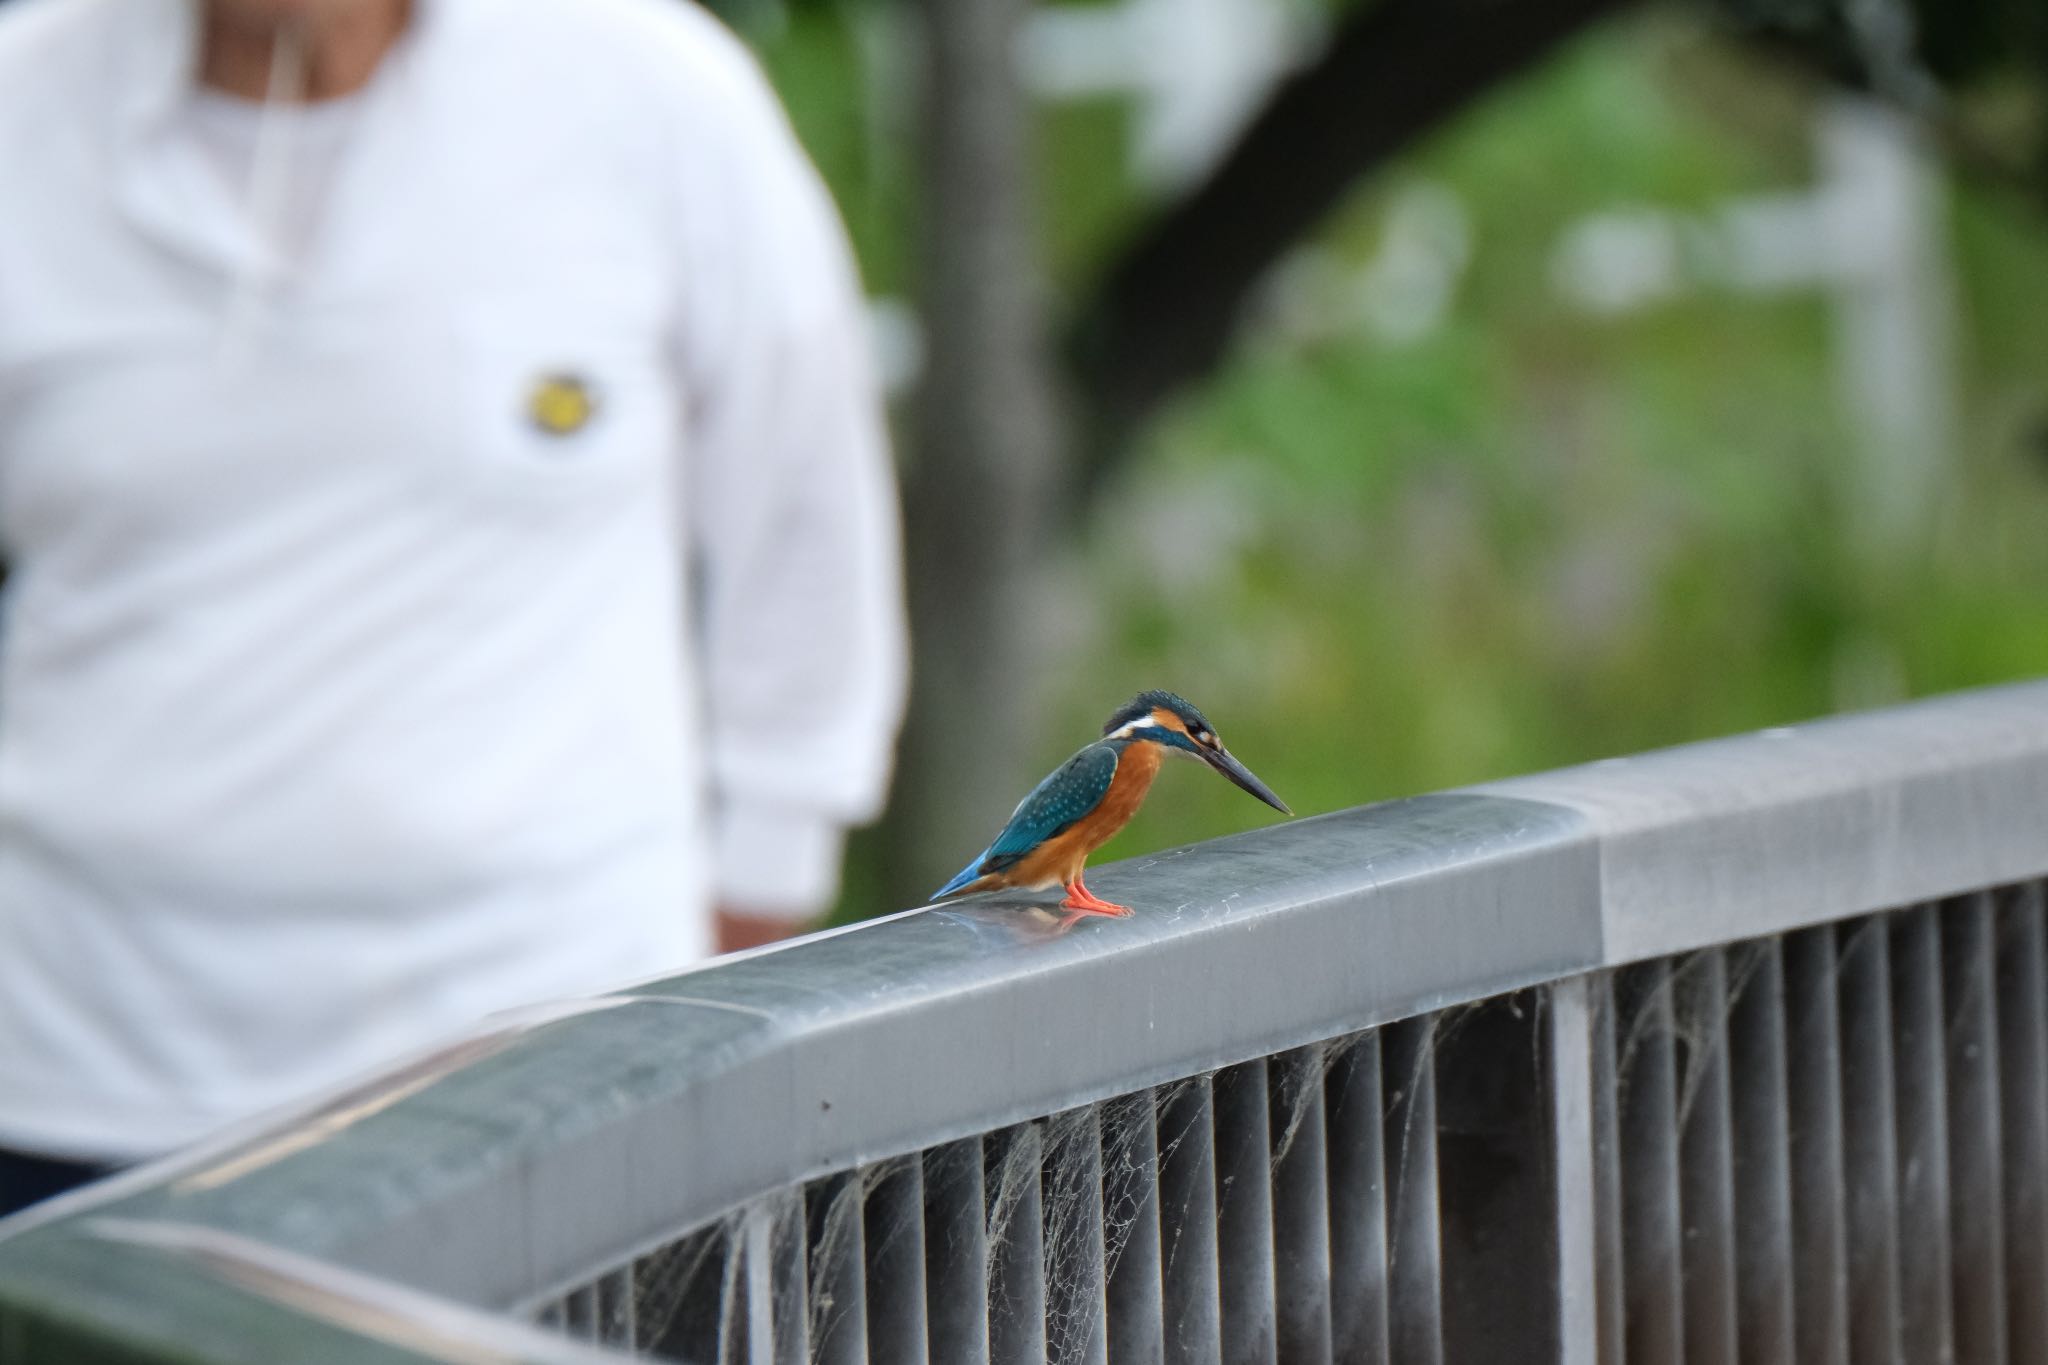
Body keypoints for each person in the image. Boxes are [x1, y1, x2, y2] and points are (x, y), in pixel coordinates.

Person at [0, 0, 908, 1217]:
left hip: (552, 1061)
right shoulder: (25, 101)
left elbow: (804, 516)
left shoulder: (647, 88)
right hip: (74, 1069)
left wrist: (742, 932)